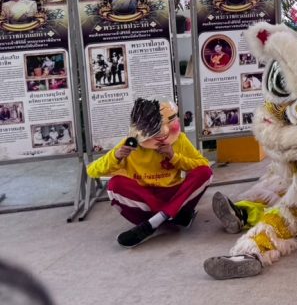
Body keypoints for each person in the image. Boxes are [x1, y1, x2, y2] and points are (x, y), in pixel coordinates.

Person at [87, 99, 212, 247]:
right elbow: (92, 170)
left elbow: (203, 166)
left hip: (172, 193)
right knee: (115, 184)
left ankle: (155, 222)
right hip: (147, 199)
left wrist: (174, 157)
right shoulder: (130, 144)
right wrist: (116, 156)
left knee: (205, 172)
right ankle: (173, 215)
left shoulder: (179, 140)